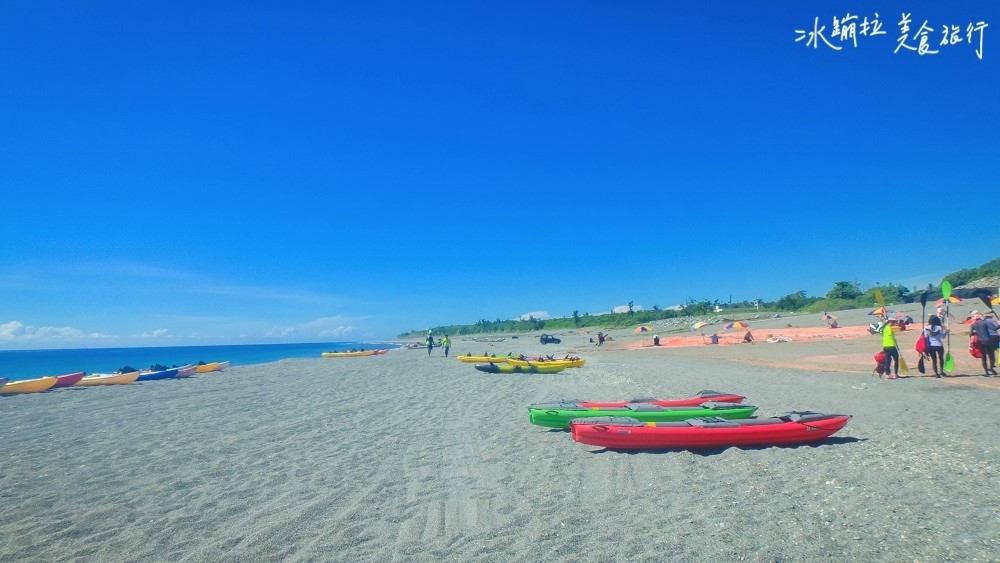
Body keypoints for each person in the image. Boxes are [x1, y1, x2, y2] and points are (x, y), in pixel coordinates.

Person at [969, 311, 999, 376]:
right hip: (988, 340)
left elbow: (970, 334)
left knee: (984, 356)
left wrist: (975, 333)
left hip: (980, 342)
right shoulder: (985, 322)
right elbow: (994, 328)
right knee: (991, 355)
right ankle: (991, 367)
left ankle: (986, 373)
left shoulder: (973, 325)